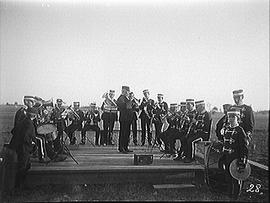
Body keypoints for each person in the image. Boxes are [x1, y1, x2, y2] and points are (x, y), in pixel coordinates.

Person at [218, 109, 249, 199]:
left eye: (233, 117)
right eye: (229, 117)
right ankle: (229, 193)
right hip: (227, 156)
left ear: (237, 118)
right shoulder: (227, 130)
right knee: (228, 175)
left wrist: (242, 160)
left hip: (235, 158)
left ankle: (236, 194)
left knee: (236, 177)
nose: (231, 119)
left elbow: (244, 147)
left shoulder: (240, 130)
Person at [9, 107, 38, 188]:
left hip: (18, 146)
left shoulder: (23, 121)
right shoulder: (29, 124)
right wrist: (31, 142)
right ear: (34, 116)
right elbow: (25, 137)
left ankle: (21, 183)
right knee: (22, 166)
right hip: (24, 148)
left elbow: (13, 131)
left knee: (27, 165)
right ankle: (17, 186)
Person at [116, 86, 133, 153]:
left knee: (127, 133)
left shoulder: (126, 98)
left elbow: (131, 107)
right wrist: (130, 100)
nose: (128, 93)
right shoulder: (121, 98)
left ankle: (126, 147)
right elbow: (125, 106)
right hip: (124, 118)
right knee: (123, 133)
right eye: (127, 91)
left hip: (128, 118)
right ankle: (121, 147)